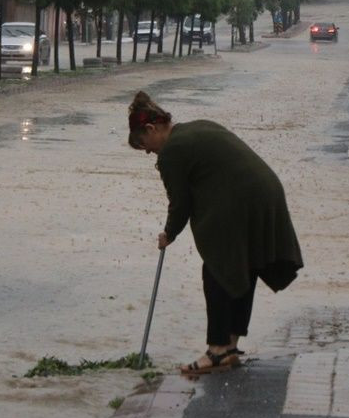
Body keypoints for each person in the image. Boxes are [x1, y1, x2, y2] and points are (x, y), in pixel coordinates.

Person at [128, 90, 303, 375]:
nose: (148, 152)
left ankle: (217, 350)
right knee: (244, 267)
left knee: (217, 271)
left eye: (143, 144)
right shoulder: (196, 127)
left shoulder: (172, 151)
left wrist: (168, 233)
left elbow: (180, 203)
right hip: (266, 192)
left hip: (243, 200)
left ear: (151, 129)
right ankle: (230, 346)